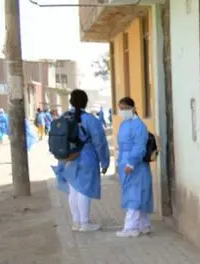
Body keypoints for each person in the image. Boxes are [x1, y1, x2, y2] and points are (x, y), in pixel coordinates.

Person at [52, 89, 111, 232]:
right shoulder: (90, 119)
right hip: (86, 157)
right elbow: (100, 142)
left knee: (73, 190)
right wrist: (105, 162)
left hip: (68, 159)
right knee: (84, 190)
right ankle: (85, 223)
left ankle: (76, 222)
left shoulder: (64, 116)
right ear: (85, 102)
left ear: (71, 101)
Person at [114, 97, 154, 238]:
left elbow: (139, 147)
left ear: (132, 108)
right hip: (125, 161)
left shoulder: (139, 126)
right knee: (138, 193)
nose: (122, 111)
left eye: (124, 108)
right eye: (120, 108)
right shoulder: (125, 124)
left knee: (134, 195)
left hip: (135, 165)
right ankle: (143, 225)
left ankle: (130, 228)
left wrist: (131, 163)